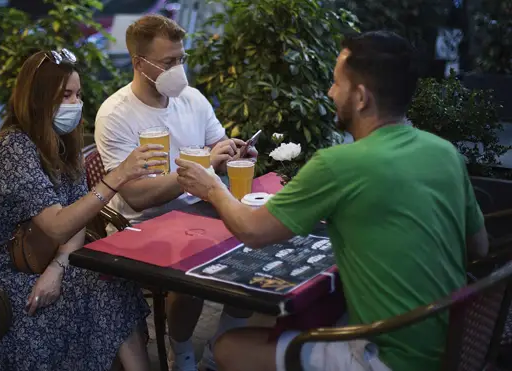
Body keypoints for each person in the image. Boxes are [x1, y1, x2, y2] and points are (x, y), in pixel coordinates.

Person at [175, 31, 489, 371]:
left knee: (228, 347)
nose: (330, 92)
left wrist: (211, 187)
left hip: (391, 359)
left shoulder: (339, 164)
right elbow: (479, 248)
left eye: (336, 83)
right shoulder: (445, 153)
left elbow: (252, 230)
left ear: (361, 97)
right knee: (290, 318)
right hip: (460, 346)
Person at [0, 49, 167, 371]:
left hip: (42, 264)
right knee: (102, 293)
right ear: (38, 99)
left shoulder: (62, 142)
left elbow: (76, 216)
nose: (75, 103)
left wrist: (59, 267)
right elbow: (56, 225)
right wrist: (118, 176)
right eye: (65, 95)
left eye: (78, 94)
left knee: (113, 282)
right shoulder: (11, 148)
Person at [95, 14, 257, 371]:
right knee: (193, 271)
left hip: (200, 211)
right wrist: (200, 171)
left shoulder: (191, 99)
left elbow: (217, 144)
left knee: (255, 249)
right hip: (144, 224)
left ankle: (220, 354)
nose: (178, 69)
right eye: (168, 62)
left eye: (181, 59)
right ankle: (182, 352)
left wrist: (234, 152)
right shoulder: (116, 115)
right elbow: (135, 196)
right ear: (140, 63)